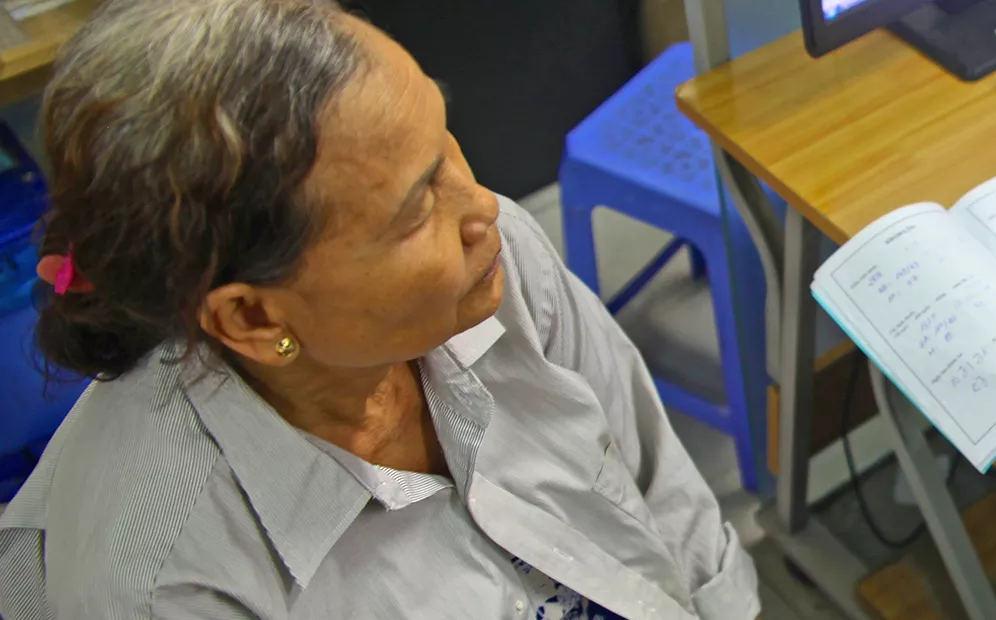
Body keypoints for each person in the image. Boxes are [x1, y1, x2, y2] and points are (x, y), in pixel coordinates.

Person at [0, 1, 758, 618]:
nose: (484, 206)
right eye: (412, 209)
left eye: (441, 142)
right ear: (254, 320)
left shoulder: (490, 265)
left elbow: (655, 477)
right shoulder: (164, 585)